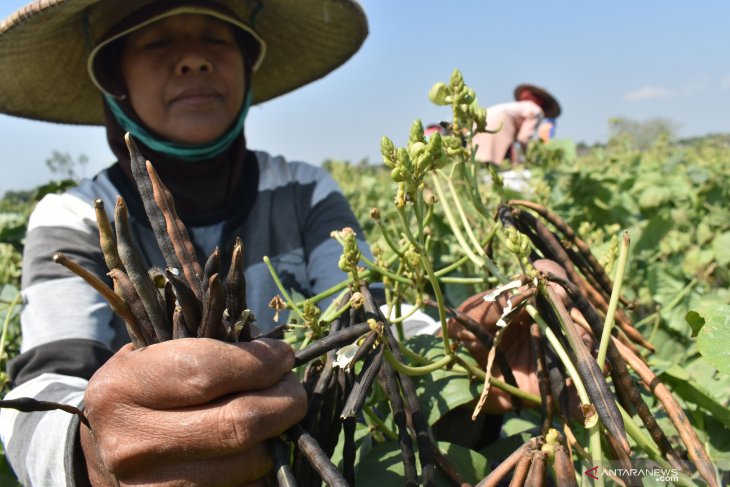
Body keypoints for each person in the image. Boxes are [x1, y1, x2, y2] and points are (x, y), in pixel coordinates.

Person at [0, 1, 369, 485]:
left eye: (218, 38)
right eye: (157, 41)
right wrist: (90, 450)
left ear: (246, 63)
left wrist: (460, 333)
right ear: (115, 77)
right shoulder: (72, 217)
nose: (193, 60)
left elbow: (371, 321)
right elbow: (41, 390)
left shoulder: (306, 192)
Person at [472, 84, 561, 166]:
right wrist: (529, 158)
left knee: (476, 164)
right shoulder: (537, 110)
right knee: (497, 167)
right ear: (541, 101)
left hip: (478, 125)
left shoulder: (513, 107)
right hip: (497, 131)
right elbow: (523, 138)